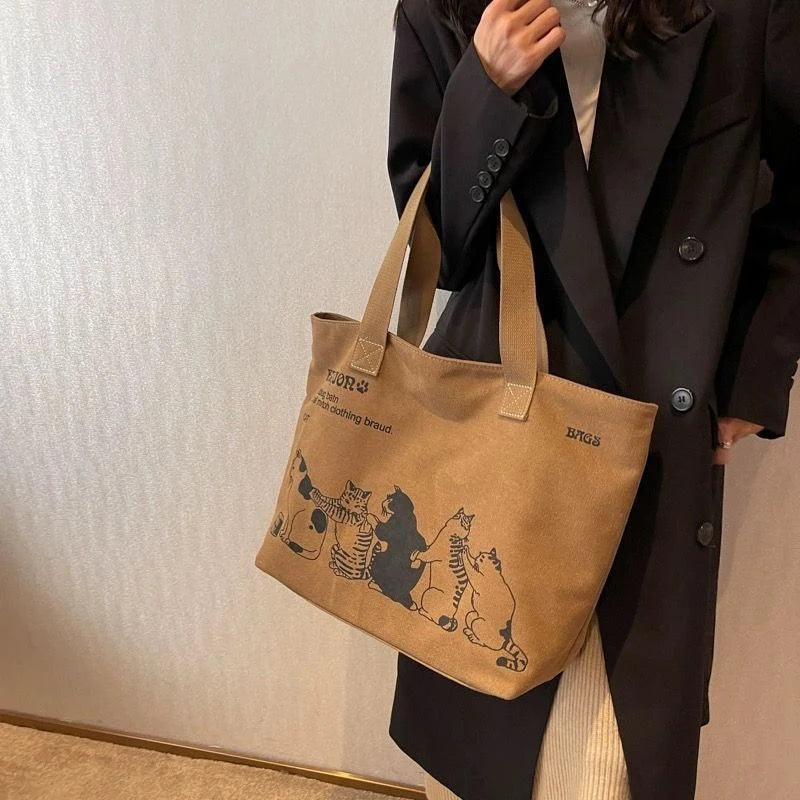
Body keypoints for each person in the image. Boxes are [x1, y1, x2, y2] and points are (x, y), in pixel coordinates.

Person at [385, 1, 800, 799]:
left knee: (608, 757)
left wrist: (754, 372)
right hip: (498, 437)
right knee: (480, 751)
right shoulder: (443, 9)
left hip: (650, 425)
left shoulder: (747, 12)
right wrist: (487, 88)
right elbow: (441, 249)